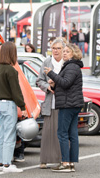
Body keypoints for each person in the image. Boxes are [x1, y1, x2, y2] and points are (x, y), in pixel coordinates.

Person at [0, 41, 26, 173]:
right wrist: (23, 107)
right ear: (12, 53)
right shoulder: (11, 70)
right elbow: (16, 91)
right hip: (9, 104)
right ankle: (7, 165)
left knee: (2, 134)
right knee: (10, 135)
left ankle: (0, 163)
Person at [44, 43, 84, 173]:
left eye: (67, 51)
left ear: (73, 54)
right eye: (64, 51)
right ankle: (71, 163)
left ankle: (65, 163)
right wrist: (54, 83)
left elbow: (66, 83)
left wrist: (51, 74)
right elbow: (64, 83)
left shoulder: (72, 66)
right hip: (72, 104)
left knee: (62, 133)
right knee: (72, 134)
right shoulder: (70, 66)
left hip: (68, 104)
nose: (64, 53)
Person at [36, 38, 65, 169]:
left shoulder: (66, 63)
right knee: (47, 132)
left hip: (64, 103)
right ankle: (44, 160)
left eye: (59, 48)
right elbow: (39, 80)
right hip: (50, 102)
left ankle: (61, 159)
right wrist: (47, 86)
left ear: (63, 49)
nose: (56, 51)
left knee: (62, 133)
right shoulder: (47, 62)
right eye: (54, 48)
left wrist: (58, 83)